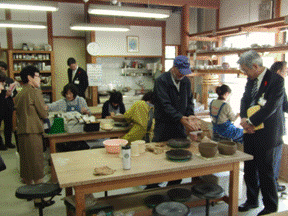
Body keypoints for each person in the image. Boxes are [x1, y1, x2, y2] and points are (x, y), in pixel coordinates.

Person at [238, 50, 284, 215]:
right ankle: (251, 201)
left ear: (255, 66)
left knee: (265, 171)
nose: (244, 73)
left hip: (267, 133)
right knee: (249, 167)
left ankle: (271, 207)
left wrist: (251, 122)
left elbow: (270, 107)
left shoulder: (276, 80)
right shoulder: (251, 80)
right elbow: (244, 99)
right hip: (250, 131)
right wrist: (244, 119)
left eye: (245, 70)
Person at [151, 55, 200, 188]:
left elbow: (190, 101)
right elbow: (165, 104)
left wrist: (190, 116)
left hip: (180, 125)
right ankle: (153, 187)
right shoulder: (161, 80)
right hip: (164, 124)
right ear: (173, 68)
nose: (182, 75)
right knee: (159, 156)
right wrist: (181, 118)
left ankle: (172, 187)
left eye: (185, 72)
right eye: (180, 72)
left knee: (179, 156)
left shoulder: (186, 81)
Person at [14, 66, 54, 207]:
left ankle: (29, 193)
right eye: (37, 76)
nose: (39, 79)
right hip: (33, 131)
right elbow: (43, 114)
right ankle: (39, 199)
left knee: (25, 163)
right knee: (37, 163)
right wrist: (46, 110)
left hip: (21, 132)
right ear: (30, 78)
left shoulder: (19, 94)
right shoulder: (35, 92)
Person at [270, 61, 288, 192]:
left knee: (266, 159)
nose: (286, 73)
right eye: (285, 70)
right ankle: (272, 185)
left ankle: (263, 183)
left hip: (264, 128)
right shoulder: (278, 86)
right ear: (278, 72)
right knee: (274, 159)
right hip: (275, 130)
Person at [0, 61, 17, 150]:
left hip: (8, 105)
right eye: (0, 69)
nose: (2, 70)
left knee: (9, 125)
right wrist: (4, 93)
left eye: (3, 69)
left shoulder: (10, 80)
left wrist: (11, 94)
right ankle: (0, 144)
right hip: (0, 105)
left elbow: (15, 93)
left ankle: (8, 142)